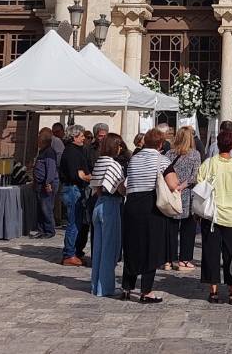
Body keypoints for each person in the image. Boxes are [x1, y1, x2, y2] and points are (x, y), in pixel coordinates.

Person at [121, 127, 182, 303]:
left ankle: (126, 287)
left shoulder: (134, 159)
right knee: (151, 248)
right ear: (160, 144)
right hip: (150, 205)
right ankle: (146, 291)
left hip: (131, 204)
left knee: (132, 246)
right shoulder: (161, 160)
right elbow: (173, 184)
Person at [199, 127, 232, 304]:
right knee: (231, 254)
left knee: (211, 252)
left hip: (211, 214)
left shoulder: (208, 164)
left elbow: (200, 185)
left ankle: (213, 290)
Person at [89, 134, 128, 298]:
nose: (121, 148)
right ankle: (105, 287)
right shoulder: (113, 164)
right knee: (109, 249)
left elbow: (96, 187)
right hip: (111, 205)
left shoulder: (100, 161)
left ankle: (95, 285)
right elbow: (120, 189)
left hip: (99, 204)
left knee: (98, 248)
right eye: (119, 145)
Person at [168, 126, 202, 271]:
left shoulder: (169, 153)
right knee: (188, 229)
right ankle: (184, 259)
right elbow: (196, 176)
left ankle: (168, 259)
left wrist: (175, 186)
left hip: (172, 193)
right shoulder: (195, 155)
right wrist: (184, 185)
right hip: (187, 194)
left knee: (171, 228)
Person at [59, 126, 93, 266]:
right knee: (73, 222)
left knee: (78, 222)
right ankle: (69, 254)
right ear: (74, 137)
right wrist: (86, 177)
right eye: (81, 136)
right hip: (72, 189)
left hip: (76, 188)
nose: (84, 138)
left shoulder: (77, 150)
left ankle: (75, 252)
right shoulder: (71, 151)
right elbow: (76, 174)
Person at [31, 128, 60, 238]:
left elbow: (51, 169)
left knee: (46, 207)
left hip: (47, 184)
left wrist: (48, 183)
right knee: (40, 208)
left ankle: (49, 231)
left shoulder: (49, 152)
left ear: (43, 141)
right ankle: (41, 230)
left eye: (39, 140)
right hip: (39, 184)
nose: (37, 142)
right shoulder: (42, 151)